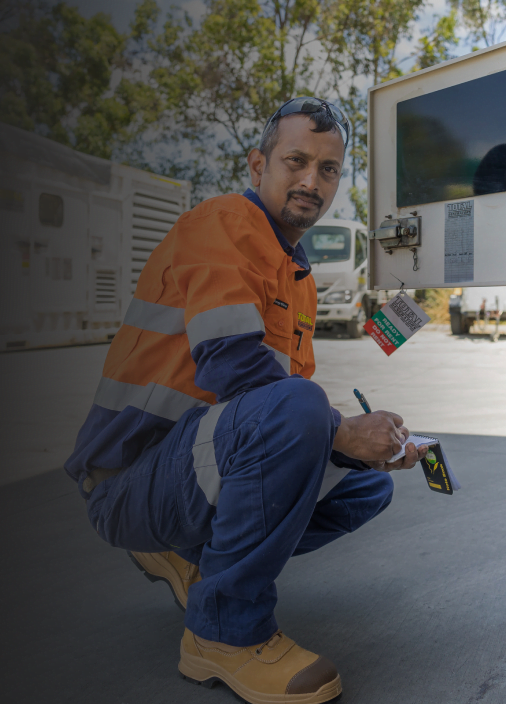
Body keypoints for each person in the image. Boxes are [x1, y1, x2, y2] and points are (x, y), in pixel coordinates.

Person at [65, 96, 428, 704]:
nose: (312, 181)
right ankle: (224, 633)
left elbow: (276, 422)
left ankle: (190, 555)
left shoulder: (297, 278)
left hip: (190, 468)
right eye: (296, 161)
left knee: (367, 484)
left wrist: (360, 447)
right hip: (128, 480)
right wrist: (339, 429)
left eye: (329, 169)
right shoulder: (222, 223)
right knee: (303, 407)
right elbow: (237, 366)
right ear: (257, 164)